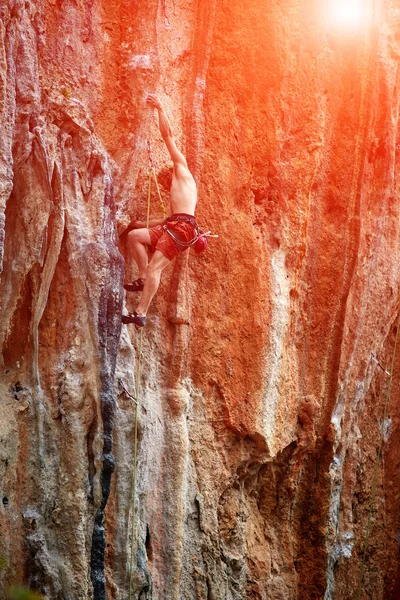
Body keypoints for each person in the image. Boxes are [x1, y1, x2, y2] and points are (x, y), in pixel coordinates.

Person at [122, 94, 198, 328]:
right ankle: (143, 277)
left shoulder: (181, 168)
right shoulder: (178, 192)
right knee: (135, 237)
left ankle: (140, 313)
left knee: (157, 266)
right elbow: (165, 220)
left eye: (166, 182)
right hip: (173, 225)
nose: (166, 186)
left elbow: (168, 137)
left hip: (183, 228)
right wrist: (136, 225)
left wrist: (161, 110)